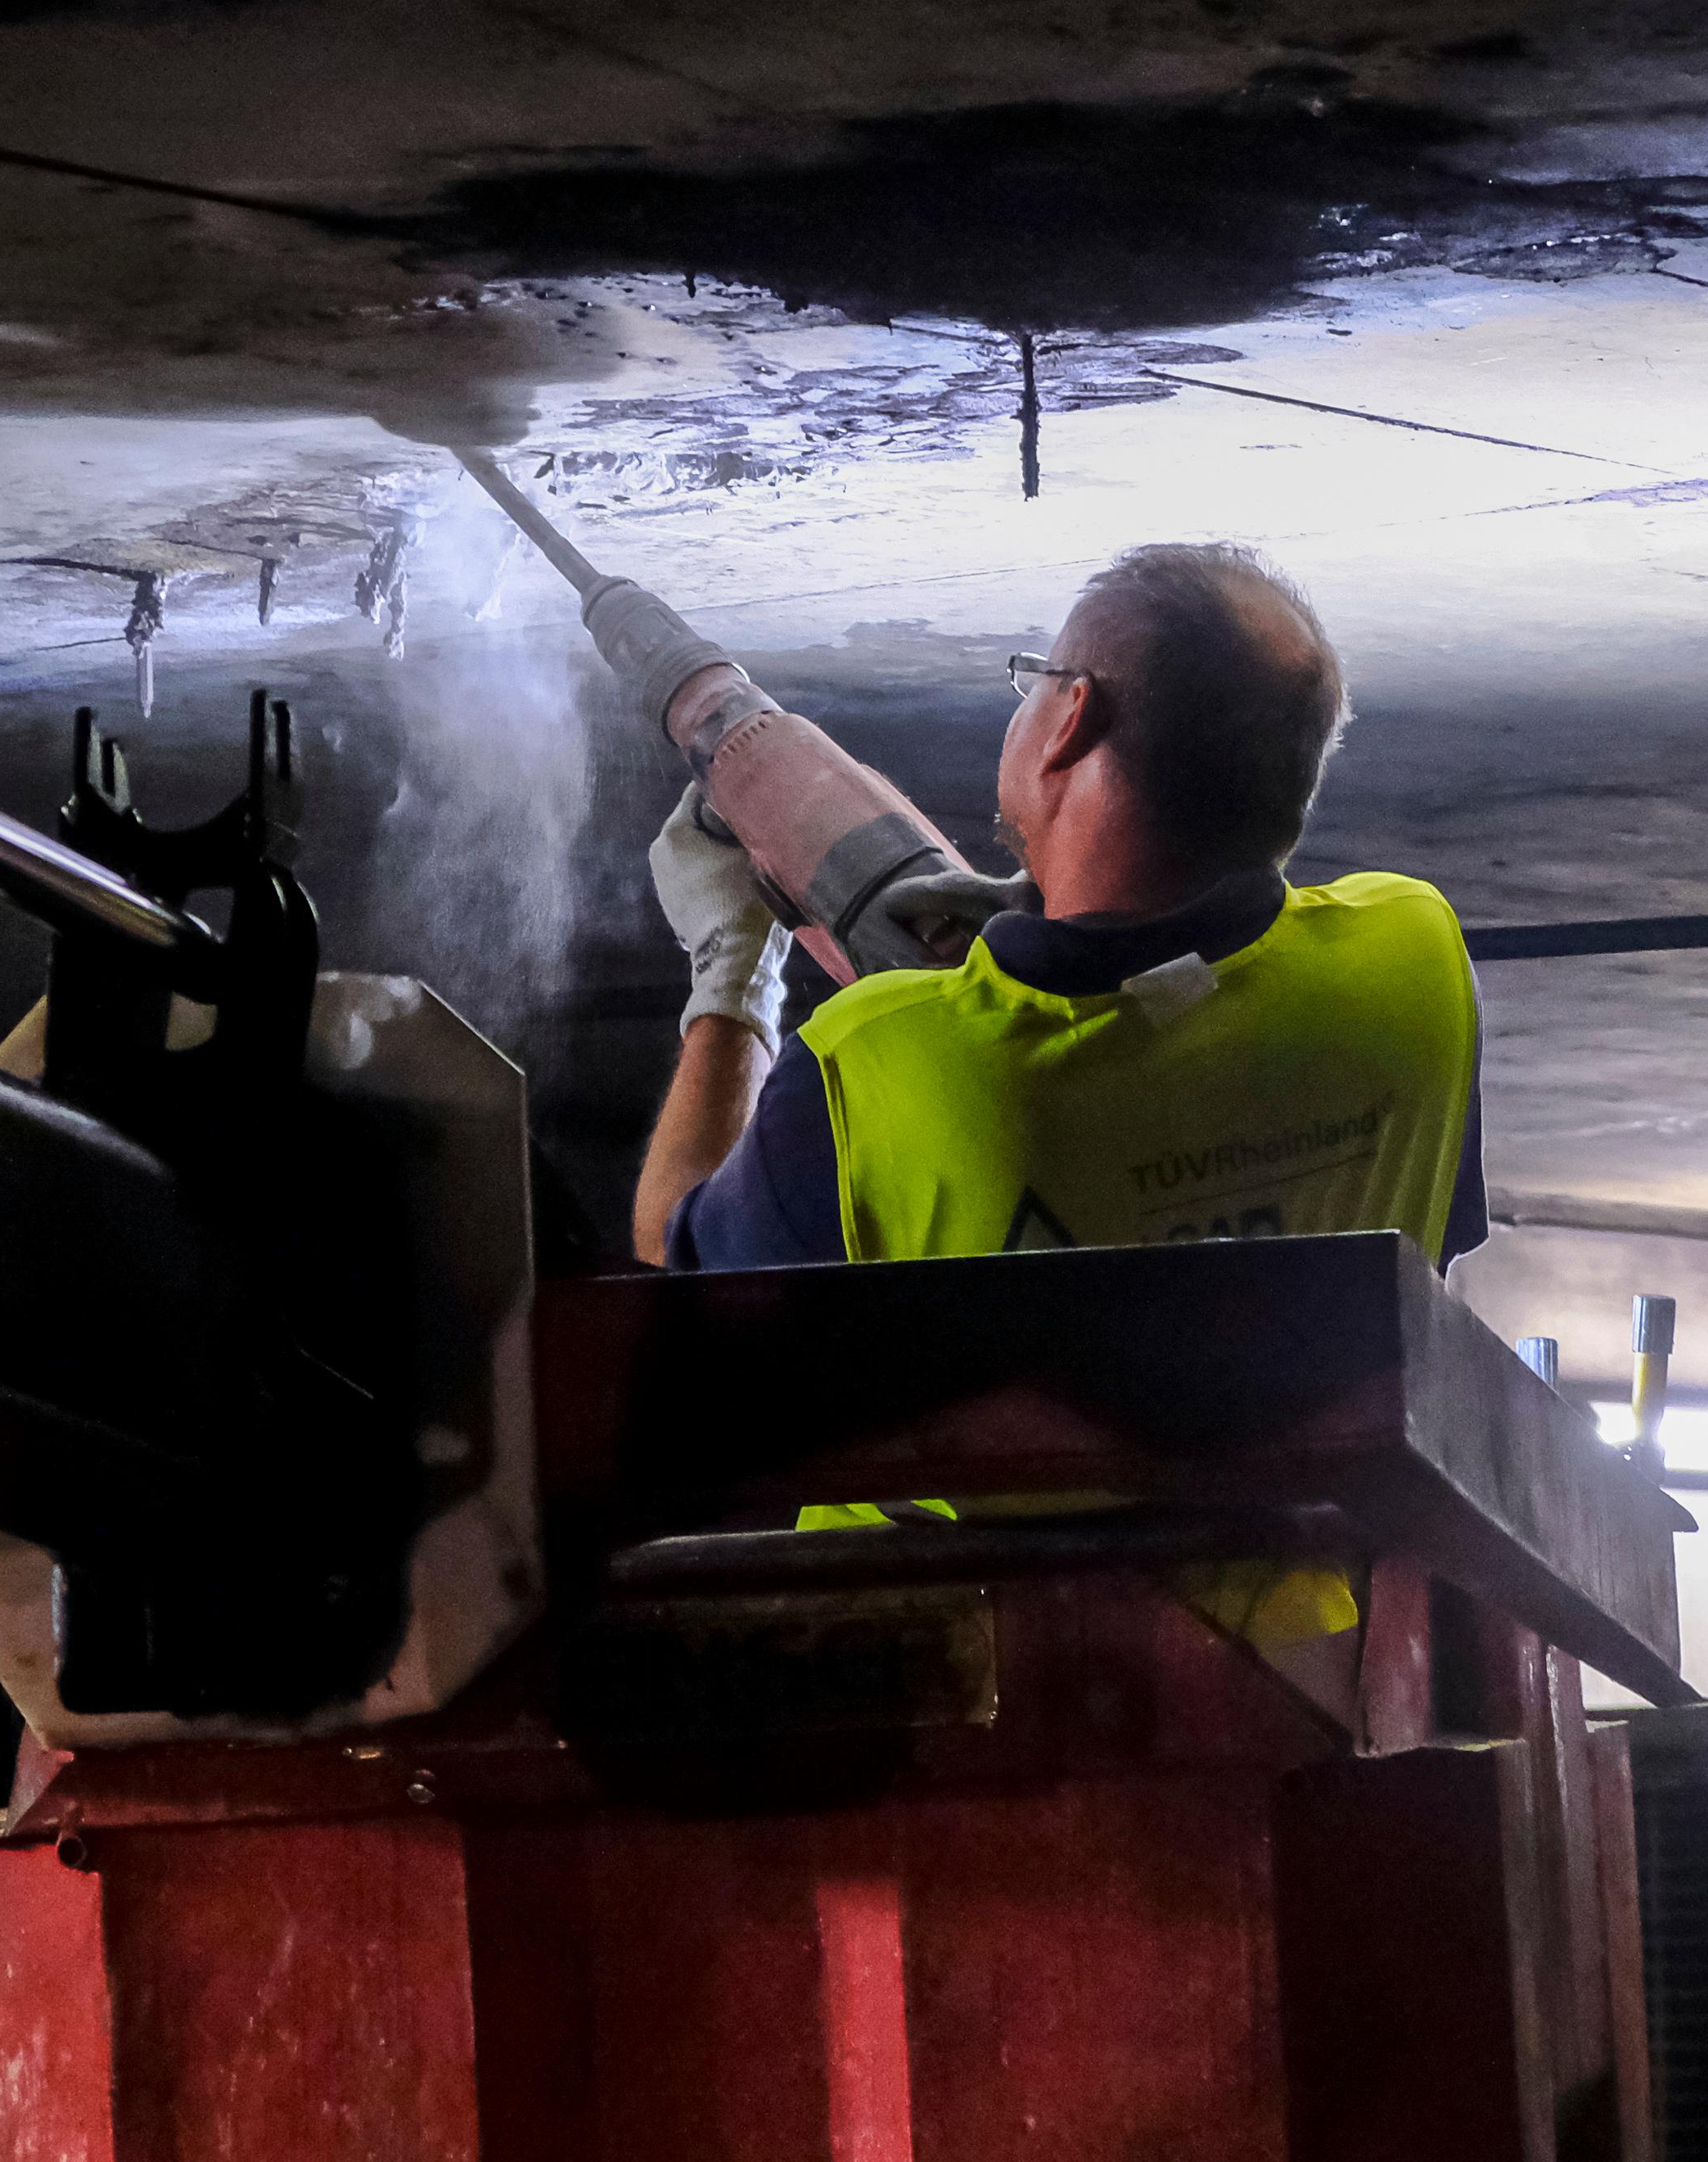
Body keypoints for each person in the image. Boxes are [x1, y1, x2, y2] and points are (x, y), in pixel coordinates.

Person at [626, 541, 1487, 1646]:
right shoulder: (1413, 961)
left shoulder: (876, 1065)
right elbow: (1174, 1043)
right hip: (1295, 1648)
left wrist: (730, 970)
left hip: (945, 1668)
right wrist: (1026, 935)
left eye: (1032, 680)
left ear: (1072, 718)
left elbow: (674, 1252)